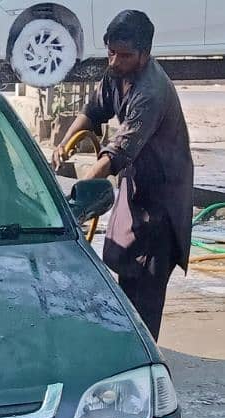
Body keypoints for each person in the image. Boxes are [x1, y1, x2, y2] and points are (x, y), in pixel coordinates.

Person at [52, 10, 193, 341]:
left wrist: (76, 198)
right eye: (111, 51)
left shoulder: (151, 92)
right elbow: (93, 111)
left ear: (145, 53)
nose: (114, 61)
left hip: (162, 205)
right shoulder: (115, 73)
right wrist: (64, 145)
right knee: (124, 278)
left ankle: (142, 363)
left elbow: (116, 154)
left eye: (125, 54)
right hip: (135, 192)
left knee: (145, 291)